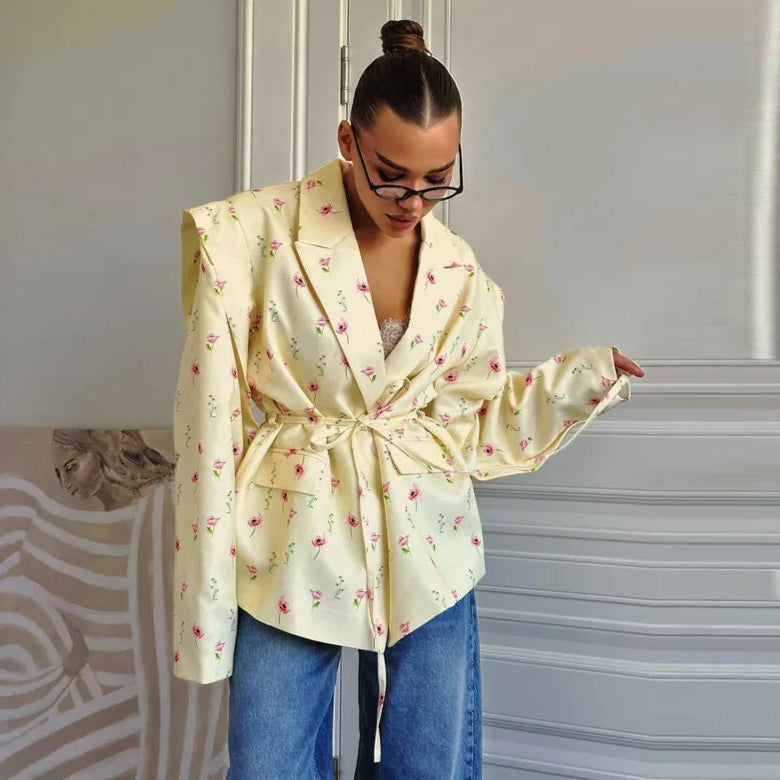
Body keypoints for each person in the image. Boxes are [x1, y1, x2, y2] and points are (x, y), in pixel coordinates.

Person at [170, 18, 644, 780]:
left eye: (438, 179)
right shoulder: (248, 236)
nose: (414, 200)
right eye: (392, 174)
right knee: (268, 763)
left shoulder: (459, 273)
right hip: (290, 528)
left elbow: (468, 427)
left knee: (431, 764)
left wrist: (578, 382)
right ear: (347, 142)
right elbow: (208, 428)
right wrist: (204, 613)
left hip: (430, 535)